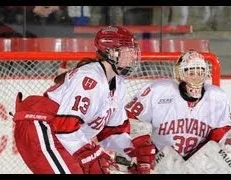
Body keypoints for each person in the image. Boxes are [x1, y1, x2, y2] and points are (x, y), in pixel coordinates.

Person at [12, 25, 156, 174]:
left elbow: (111, 133)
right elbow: (65, 127)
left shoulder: (119, 83)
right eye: (128, 50)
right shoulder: (90, 78)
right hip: (40, 126)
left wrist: (135, 152)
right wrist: (90, 155)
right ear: (111, 52)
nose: (133, 56)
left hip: (60, 135)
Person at [125, 49, 231, 161]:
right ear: (180, 75)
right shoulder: (158, 90)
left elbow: (222, 131)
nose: (196, 78)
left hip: (196, 165)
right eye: (191, 73)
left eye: (200, 73)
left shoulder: (217, 96)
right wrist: (143, 150)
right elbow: (130, 119)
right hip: (158, 161)